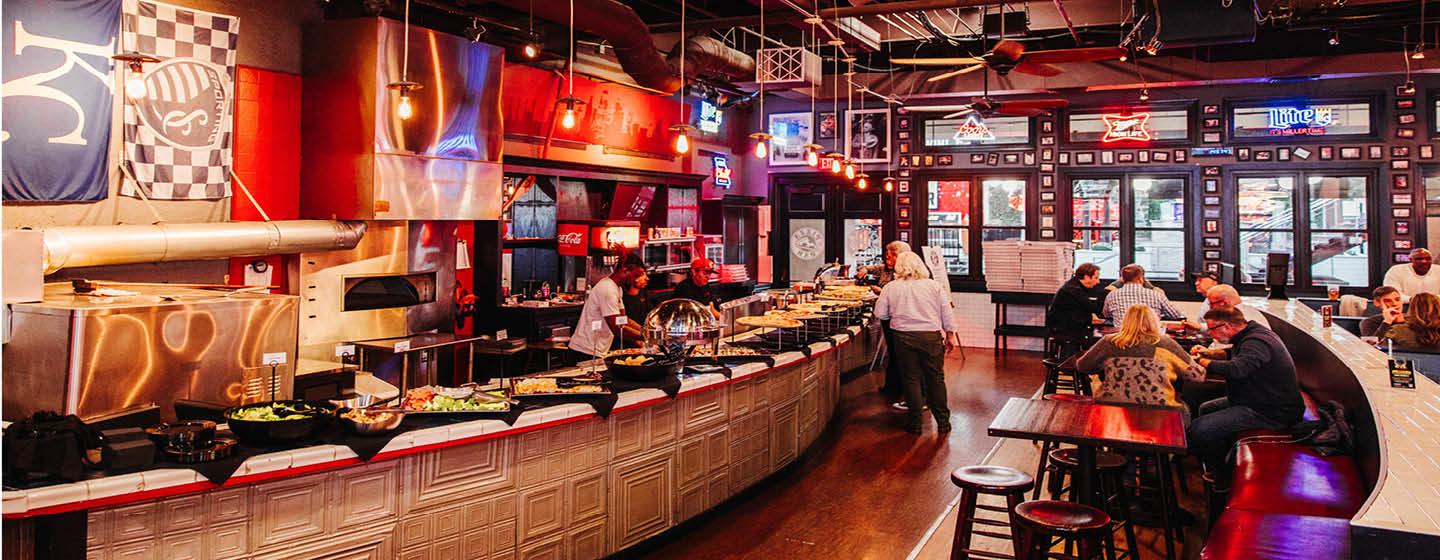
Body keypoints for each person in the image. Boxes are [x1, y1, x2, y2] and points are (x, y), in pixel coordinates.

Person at [1188, 307, 1306, 483]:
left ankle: (1222, 478)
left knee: (1201, 429)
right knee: (1205, 408)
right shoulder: (1251, 333)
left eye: (1212, 329)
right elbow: (1235, 353)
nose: (1210, 334)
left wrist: (1203, 362)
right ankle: (1218, 461)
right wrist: (1210, 352)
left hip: (1273, 411)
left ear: (1226, 326)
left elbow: (1237, 369)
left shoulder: (1257, 341)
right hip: (1255, 400)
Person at [874, 252, 961, 434]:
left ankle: (915, 424)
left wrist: (895, 314)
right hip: (930, 336)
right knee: (936, 378)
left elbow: (880, 314)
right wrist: (950, 335)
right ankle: (944, 422)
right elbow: (946, 313)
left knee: (911, 379)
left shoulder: (891, 287)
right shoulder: (934, 286)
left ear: (899, 267)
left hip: (903, 337)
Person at [1075, 305, 1206, 422]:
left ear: (1125, 321)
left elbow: (1082, 366)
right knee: (1187, 412)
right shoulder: (1165, 343)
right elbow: (1197, 375)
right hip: (1159, 413)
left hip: (1111, 411)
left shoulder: (1109, 342)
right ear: (1155, 322)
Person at [855, 240, 915, 410]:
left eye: (890, 256)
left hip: (899, 318)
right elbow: (869, 268)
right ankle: (892, 387)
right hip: (889, 317)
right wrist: (863, 270)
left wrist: (881, 293)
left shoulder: (906, 274)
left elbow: (901, 297)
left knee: (899, 354)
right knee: (894, 352)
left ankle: (901, 389)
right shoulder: (885, 268)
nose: (887, 259)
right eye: (887, 256)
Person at [569, 259, 647, 360]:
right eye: (635, 276)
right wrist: (646, 336)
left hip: (597, 351)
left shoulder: (617, 288)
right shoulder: (607, 289)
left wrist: (645, 331)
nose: (636, 280)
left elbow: (623, 320)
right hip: (585, 351)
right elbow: (617, 328)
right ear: (624, 270)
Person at [1046, 263, 1107, 358]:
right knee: (1098, 342)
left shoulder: (1074, 286)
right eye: (1095, 278)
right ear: (1086, 277)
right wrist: (1107, 292)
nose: (1098, 282)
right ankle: (1079, 366)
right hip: (1065, 330)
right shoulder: (1073, 289)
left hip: (1065, 327)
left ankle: (1084, 366)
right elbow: (1093, 307)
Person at [1103, 264, 1186, 321]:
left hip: (1120, 340)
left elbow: (1106, 315)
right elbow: (1177, 315)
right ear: (1141, 279)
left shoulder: (1111, 295)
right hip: (1150, 340)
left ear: (1123, 280)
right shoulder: (1156, 294)